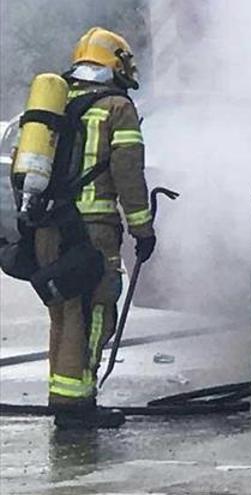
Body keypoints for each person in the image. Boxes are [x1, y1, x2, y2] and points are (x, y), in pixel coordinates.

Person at [30, 27, 155, 429]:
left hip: (49, 228)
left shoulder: (56, 103)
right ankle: (77, 404)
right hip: (92, 230)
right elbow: (128, 173)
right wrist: (143, 228)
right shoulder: (117, 107)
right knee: (95, 311)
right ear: (115, 62)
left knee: (63, 314)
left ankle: (64, 393)